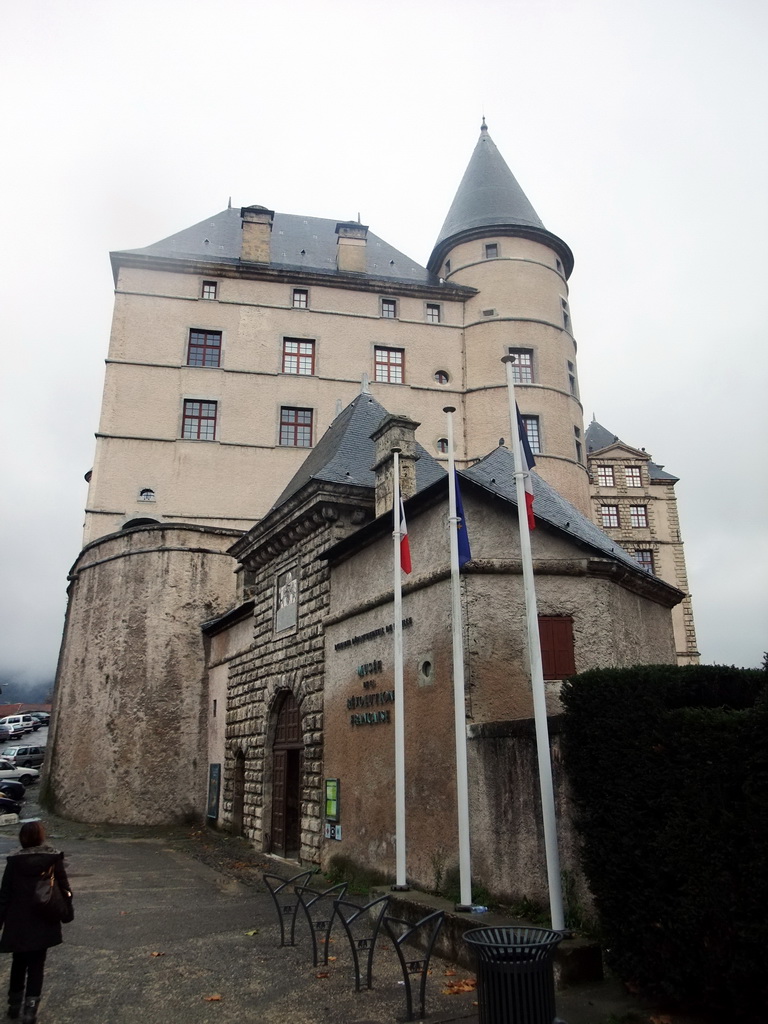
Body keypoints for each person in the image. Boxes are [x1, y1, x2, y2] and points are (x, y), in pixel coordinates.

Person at [0, 822, 72, 1023]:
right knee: (36, 965)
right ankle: (30, 1009)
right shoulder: (52, 859)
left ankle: (14, 1004)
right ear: (41, 838)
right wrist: (67, 912)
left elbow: (4, 894)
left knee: (19, 961)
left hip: (18, 919)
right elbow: (64, 887)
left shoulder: (14, 862)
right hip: (43, 916)